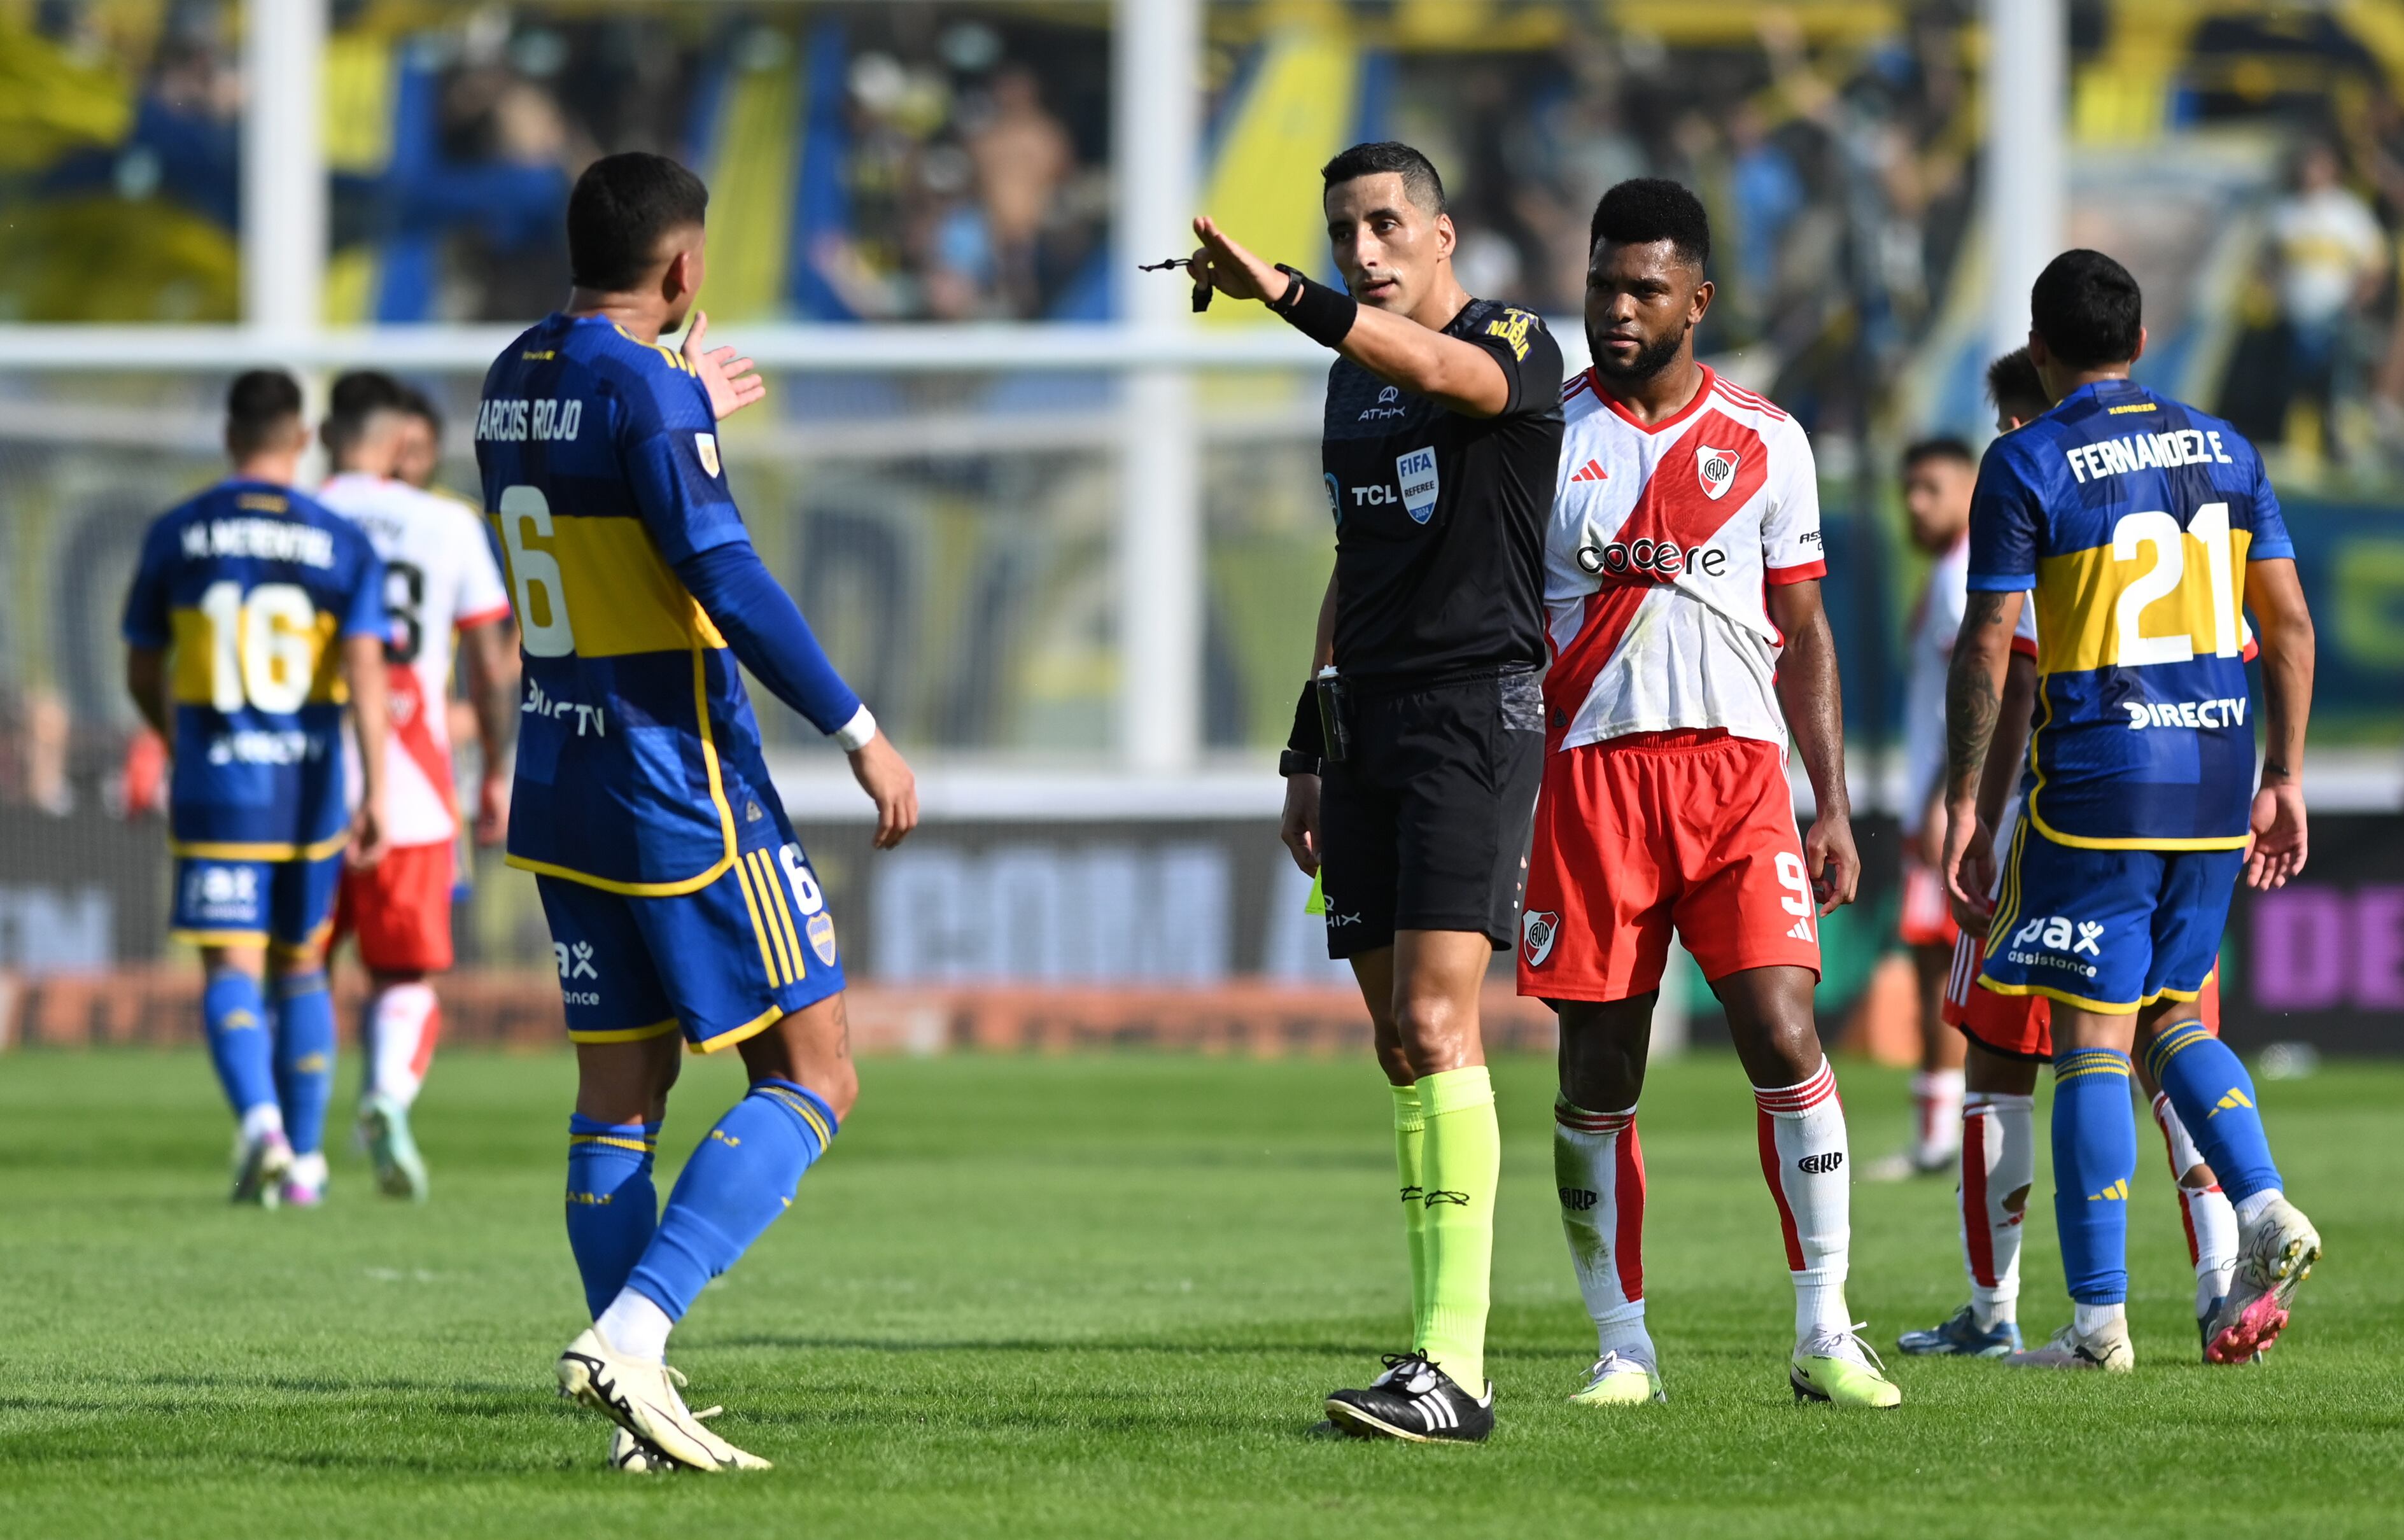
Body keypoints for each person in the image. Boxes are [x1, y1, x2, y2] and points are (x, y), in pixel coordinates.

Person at [477, 152, 919, 1471]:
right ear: (683, 269)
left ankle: (631, 1406)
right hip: (678, 784)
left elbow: (596, 488)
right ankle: (634, 1334)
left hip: (557, 777)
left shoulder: (513, 375)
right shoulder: (649, 391)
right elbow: (723, 570)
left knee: (620, 1089)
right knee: (815, 1070)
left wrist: (681, 406)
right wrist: (859, 729)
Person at [1190, 141, 1564, 1443]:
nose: (1365, 249)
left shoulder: (1516, 340)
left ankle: (1451, 1367)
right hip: (1368, 730)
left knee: (1434, 1015)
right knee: (1398, 1042)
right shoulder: (1352, 387)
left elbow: (1451, 376)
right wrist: (1307, 739)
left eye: (1386, 223)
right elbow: (1353, 567)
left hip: (1475, 713)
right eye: (1345, 229)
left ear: (1443, 232)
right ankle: (1432, 1355)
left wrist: (1295, 297)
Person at [1519, 178, 1895, 1411]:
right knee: (1597, 1071)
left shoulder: (1766, 439)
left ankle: (1824, 1328)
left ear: (1697, 299)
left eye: (1641, 288)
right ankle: (1620, 1343)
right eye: (1599, 283)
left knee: (1783, 1035)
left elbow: (1805, 627)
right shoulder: (1541, 437)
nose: (1615, 308)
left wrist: (1826, 800)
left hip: (1738, 779)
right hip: (1593, 776)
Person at [1942, 251, 2321, 1373]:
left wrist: (1965, 803)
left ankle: (2096, 1323)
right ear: (2142, 342)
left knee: (2087, 1044)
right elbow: (2289, 627)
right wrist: (2284, 775)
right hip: (2215, 778)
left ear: (2039, 349)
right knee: (2175, 1017)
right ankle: (2259, 1207)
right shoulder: (2228, 448)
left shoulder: (2027, 457)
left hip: (2102, 777)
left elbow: (1987, 648)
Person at [1899, 349, 2240, 1361]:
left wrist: (1968, 815)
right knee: (2169, 1042)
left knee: (2003, 1055)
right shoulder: (2184, 494)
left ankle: (2004, 1310)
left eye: (2014, 420)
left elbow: (2007, 694)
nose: (2007, 439)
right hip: (2188, 811)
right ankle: (2224, 1281)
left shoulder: (2035, 499)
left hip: (2058, 826)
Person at [120, 370, 391, 1207]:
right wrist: (376, 787)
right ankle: (304, 1163)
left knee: (230, 969)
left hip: (216, 782)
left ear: (228, 435)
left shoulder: (177, 532)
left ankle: (262, 1128)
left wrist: (176, 735)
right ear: (302, 439)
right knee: (303, 965)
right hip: (309, 787)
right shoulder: (339, 538)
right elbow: (365, 670)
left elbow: (140, 665)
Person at [315, 370, 519, 1200]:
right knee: (406, 978)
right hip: (414, 789)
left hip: (309, 781)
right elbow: (490, 666)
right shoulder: (446, 524)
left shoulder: (301, 515)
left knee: (297, 971)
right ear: (406, 441)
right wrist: (498, 773)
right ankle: (388, 1098)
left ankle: (291, 1142)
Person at [1864, 436, 1988, 1183]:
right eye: (1908, 488)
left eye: (1932, 488)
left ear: (1971, 490)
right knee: (1937, 965)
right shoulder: (1947, 572)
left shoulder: (1963, 573)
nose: (1915, 503)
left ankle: (1942, 1138)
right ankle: (1945, 1132)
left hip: (1950, 803)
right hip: (1940, 799)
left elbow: (1979, 694)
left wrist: (1951, 796)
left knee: (1943, 966)